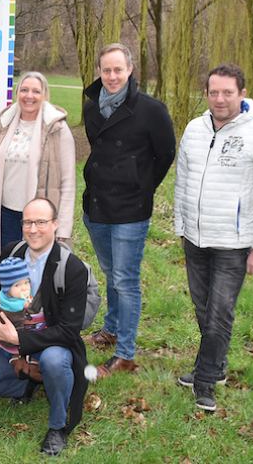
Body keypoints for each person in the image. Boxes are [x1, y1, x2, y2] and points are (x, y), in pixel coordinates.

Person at [173, 64, 253, 412]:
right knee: (203, 309)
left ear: (241, 93)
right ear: (206, 93)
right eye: (213, 92)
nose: (219, 99)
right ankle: (218, 365)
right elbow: (182, 181)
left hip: (234, 244)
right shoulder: (194, 129)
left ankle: (206, 380)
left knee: (219, 314)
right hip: (195, 239)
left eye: (227, 92)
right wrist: (181, 225)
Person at [0, 198, 90, 457]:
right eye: (28, 222)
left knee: (55, 362)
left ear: (55, 224)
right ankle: (31, 382)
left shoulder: (71, 268)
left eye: (41, 222)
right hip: (8, 343)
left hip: (52, 343)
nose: (33, 229)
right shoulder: (12, 252)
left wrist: (21, 340)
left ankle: (57, 425)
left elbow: (68, 330)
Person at [81, 43, 175, 379]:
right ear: (100, 71)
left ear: (130, 70)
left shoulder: (151, 110)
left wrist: (141, 184)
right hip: (97, 207)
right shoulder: (93, 108)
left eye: (118, 69)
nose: (112, 76)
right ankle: (111, 328)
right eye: (106, 70)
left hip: (131, 209)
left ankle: (126, 354)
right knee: (111, 272)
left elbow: (165, 154)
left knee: (126, 279)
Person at [0, 71, 76, 261]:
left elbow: (68, 183)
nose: (29, 96)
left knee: (37, 270)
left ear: (45, 95)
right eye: (24, 90)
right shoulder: (2, 124)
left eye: (36, 91)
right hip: (5, 214)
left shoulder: (58, 129)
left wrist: (63, 226)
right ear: (17, 93)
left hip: (39, 219)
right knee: (7, 268)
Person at [0, 256, 45, 356]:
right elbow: (27, 308)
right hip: (13, 339)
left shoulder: (7, 296)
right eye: (17, 285)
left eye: (26, 282)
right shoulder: (12, 305)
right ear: (7, 289)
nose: (24, 288)